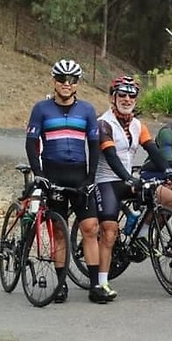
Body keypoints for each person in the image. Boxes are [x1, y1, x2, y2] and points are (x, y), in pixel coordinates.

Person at [25, 59, 105, 304]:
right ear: (54, 81)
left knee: (90, 228)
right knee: (59, 230)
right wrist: (39, 173)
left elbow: (94, 145)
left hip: (79, 173)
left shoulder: (88, 110)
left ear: (77, 84)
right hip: (53, 172)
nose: (66, 84)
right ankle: (60, 285)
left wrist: (91, 178)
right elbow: (31, 142)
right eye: (61, 79)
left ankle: (95, 286)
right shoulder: (41, 109)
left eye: (71, 80)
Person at [94, 76, 172, 301]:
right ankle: (102, 282)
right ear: (113, 97)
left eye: (131, 95)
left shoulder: (138, 125)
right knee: (109, 231)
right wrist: (129, 178)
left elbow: (153, 151)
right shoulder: (104, 123)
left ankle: (143, 236)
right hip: (106, 181)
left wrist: (167, 171)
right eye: (122, 95)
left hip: (127, 180)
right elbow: (110, 156)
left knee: (166, 197)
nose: (127, 99)